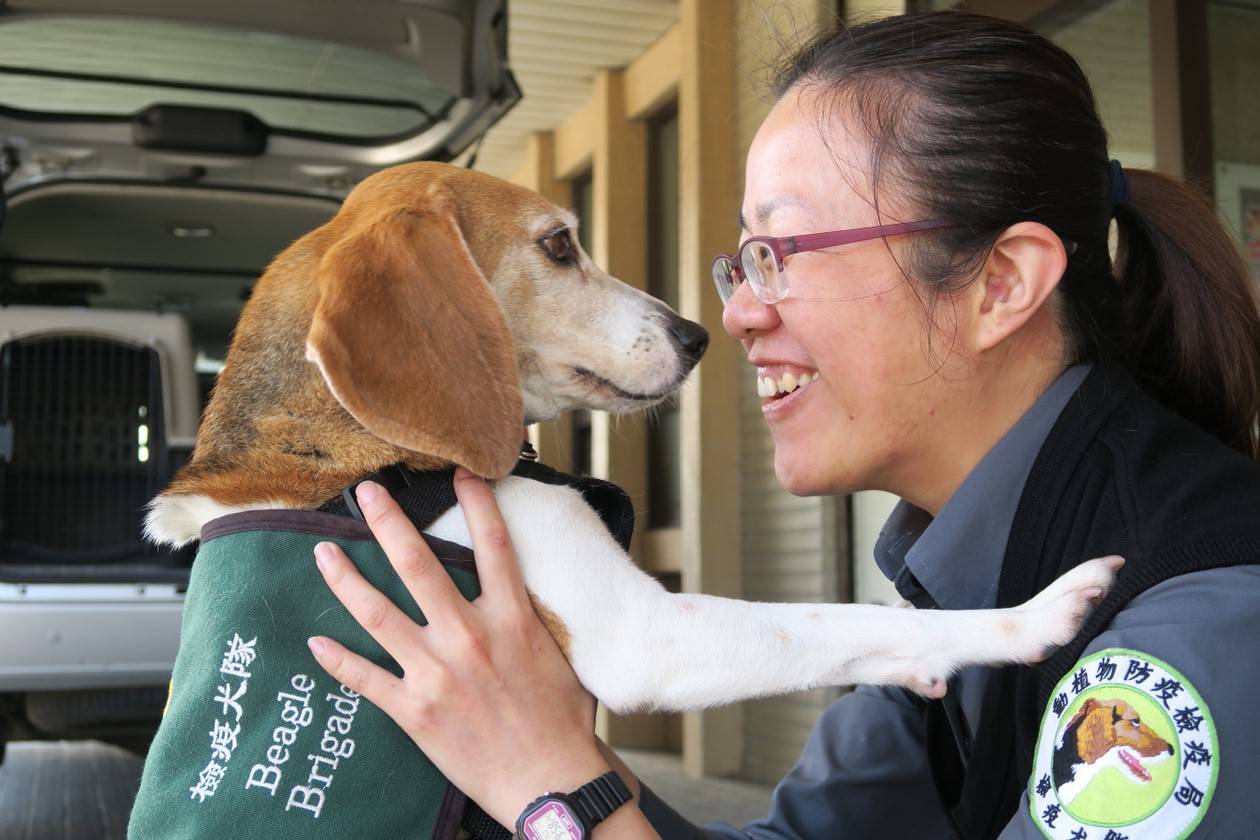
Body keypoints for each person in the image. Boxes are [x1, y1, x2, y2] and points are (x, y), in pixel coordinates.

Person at [304, 11, 1260, 839]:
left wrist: (545, 789)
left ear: (999, 284)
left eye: (783, 251)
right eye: (743, 260)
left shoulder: (1201, 629)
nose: (738, 313)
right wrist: (531, 734)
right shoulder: (955, 596)